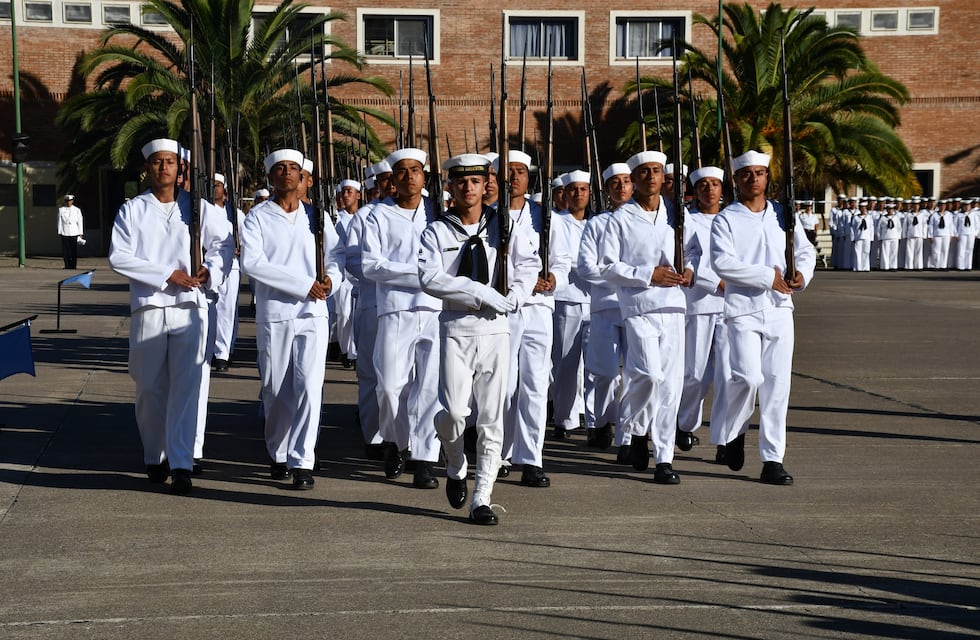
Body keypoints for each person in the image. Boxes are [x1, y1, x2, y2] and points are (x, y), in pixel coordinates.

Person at [418, 153, 539, 525]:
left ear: (486, 184)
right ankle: (455, 463)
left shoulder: (503, 226)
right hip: (456, 327)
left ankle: (481, 497)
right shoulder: (437, 231)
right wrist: (479, 291)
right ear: (450, 186)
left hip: (495, 330)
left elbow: (528, 265)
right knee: (454, 414)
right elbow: (429, 278)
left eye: (476, 181)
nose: (469, 188)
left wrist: (516, 296)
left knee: (491, 417)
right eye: (461, 182)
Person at [108, 138, 233, 495]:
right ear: (147, 168)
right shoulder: (132, 209)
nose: (164, 167)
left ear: (181, 169)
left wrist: (210, 269)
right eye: (158, 162)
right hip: (150, 305)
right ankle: (154, 454)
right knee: (149, 387)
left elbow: (224, 245)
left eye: (171, 162)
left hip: (191, 307)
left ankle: (181, 462)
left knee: (187, 387)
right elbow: (119, 256)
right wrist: (166, 274)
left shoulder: (199, 209)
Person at [710, 150, 816, 485]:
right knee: (748, 378)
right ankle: (735, 430)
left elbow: (805, 250)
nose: (753, 179)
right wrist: (765, 276)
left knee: (777, 387)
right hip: (742, 310)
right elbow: (722, 263)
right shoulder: (726, 219)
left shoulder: (783, 215)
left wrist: (801, 273)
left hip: (780, 309)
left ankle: (773, 459)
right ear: (737, 180)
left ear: (767, 178)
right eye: (746, 174)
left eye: (759, 173)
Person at [240, 148, 342, 490]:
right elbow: (253, 264)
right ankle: (278, 450)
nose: (287, 173)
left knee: (310, 388)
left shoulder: (318, 216)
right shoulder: (257, 217)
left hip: (314, 313)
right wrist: (303, 285)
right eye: (280, 169)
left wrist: (331, 280)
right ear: (270, 177)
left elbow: (337, 257)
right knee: (276, 388)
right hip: (277, 313)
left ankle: (303, 460)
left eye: (293, 168)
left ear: (303, 177)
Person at [597, 150, 693, 484]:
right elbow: (606, 266)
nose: (651, 177)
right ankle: (637, 430)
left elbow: (694, 250)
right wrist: (647, 274)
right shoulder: (620, 218)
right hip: (639, 307)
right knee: (648, 375)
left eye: (656, 171)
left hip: (674, 307)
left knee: (670, 386)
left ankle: (664, 457)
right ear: (634, 178)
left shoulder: (676, 214)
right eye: (644, 172)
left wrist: (691, 268)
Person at [361, 148, 443, 488]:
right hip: (396, 310)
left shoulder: (438, 214)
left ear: (424, 176)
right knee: (390, 386)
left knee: (429, 389)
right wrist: (420, 274)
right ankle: (396, 440)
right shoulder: (379, 216)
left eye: (415, 170)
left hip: (436, 309)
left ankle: (425, 458)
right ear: (392, 178)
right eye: (402, 171)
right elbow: (371, 265)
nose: (409, 177)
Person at [499, 150, 570, 488]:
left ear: (529, 178)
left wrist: (554, 278)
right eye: (508, 171)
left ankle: (531, 458)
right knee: (504, 386)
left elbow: (562, 261)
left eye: (520, 172)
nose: (514, 177)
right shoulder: (489, 215)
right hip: (505, 309)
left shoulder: (545, 217)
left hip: (539, 310)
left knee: (535, 385)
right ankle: (498, 452)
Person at [577, 162, 633, 459]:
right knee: (606, 373)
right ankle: (600, 421)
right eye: (616, 183)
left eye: (627, 181)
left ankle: (627, 435)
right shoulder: (595, 224)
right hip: (604, 307)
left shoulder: (644, 220)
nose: (622, 187)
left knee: (636, 375)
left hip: (637, 308)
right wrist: (625, 276)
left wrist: (623, 275)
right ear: (607, 189)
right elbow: (587, 268)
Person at [676, 166, 730, 463]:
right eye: (703, 185)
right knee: (694, 374)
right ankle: (684, 423)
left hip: (732, 307)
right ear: (694, 191)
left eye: (715, 184)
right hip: (698, 303)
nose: (709, 190)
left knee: (726, 376)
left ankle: (724, 439)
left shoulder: (733, 218)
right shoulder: (687, 220)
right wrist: (716, 282)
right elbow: (688, 259)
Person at [550, 170, 595, 444]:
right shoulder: (557, 221)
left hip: (596, 300)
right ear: (564, 194)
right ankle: (565, 419)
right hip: (567, 298)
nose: (578, 194)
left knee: (596, 366)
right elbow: (569, 261)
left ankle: (595, 419)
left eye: (583, 189)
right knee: (566, 363)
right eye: (573, 190)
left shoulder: (600, 222)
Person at [211, 173, 245, 372]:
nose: (214, 189)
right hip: (210, 266)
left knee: (228, 310)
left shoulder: (234, 213)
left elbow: (247, 237)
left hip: (231, 266)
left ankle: (223, 353)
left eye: (217, 185)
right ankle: (215, 349)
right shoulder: (205, 210)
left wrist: (242, 249)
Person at [57, 195, 84, 269]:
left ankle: (73, 265)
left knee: (73, 250)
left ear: (72, 201)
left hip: (74, 232)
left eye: (70, 201)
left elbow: (80, 221)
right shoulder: (61, 210)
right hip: (65, 231)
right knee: (66, 250)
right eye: (67, 201)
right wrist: (59, 231)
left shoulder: (77, 210)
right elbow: (59, 221)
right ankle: (67, 265)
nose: (68, 202)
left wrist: (80, 233)